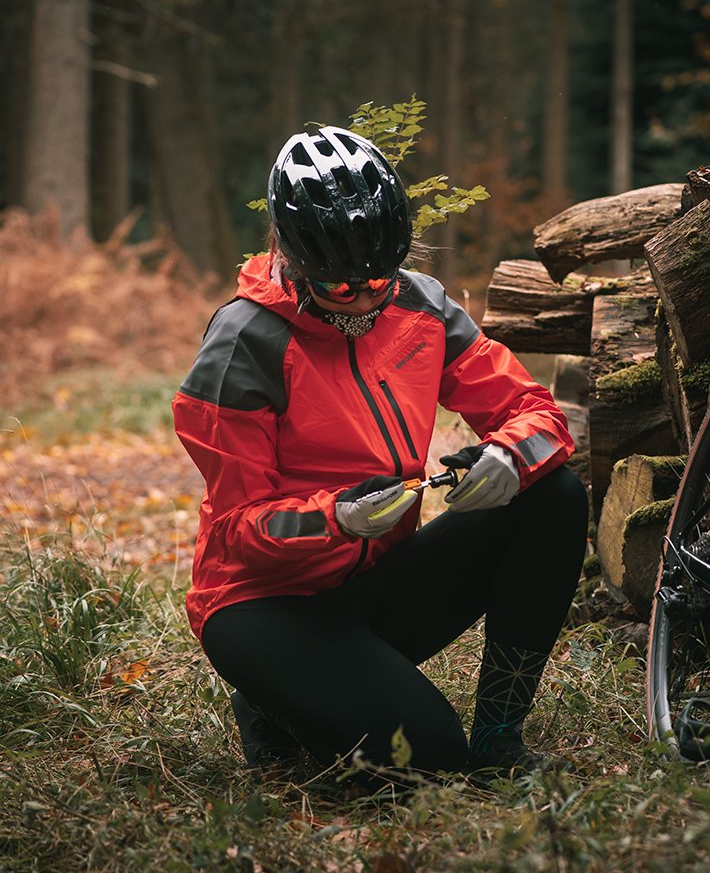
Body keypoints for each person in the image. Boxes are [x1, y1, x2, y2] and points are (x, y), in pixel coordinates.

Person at [172, 125, 588, 782]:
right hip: (262, 606)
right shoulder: (244, 345)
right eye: (341, 288)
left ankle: (499, 740)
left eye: (378, 279)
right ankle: (270, 701)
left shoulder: (418, 304)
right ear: (291, 258)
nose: (365, 301)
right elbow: (237, 531)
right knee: (427, 761)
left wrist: (510, 457)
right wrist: (335, 518)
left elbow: (537, 413)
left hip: (371, 584)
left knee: (555, 494)